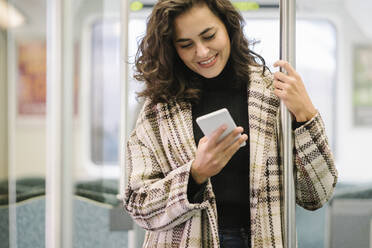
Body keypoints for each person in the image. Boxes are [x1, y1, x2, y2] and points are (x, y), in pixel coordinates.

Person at [123, 0, 338, 247]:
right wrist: (195, 174)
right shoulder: (158, 109)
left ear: (228, 27)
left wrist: (306, 115)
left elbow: (316, 195)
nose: (202, 52)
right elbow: (138, 205)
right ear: (172, 49)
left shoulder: (272, 94)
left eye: (209, 36)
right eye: (186, 44)